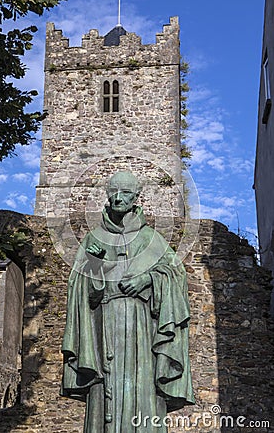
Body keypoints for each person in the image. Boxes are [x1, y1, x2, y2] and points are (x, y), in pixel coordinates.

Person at [61, 171, 195, 432]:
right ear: (108, 196)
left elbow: (176, 274)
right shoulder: (93, 239)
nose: (118, 198)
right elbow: (78, 287)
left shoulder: (151, 239)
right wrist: (95, 267)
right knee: (103, 394)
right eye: (114, 193)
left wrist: (147, 279)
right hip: (104, 325)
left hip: (141, 329)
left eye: (125, 193)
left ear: (136, 198)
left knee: (142, 387)